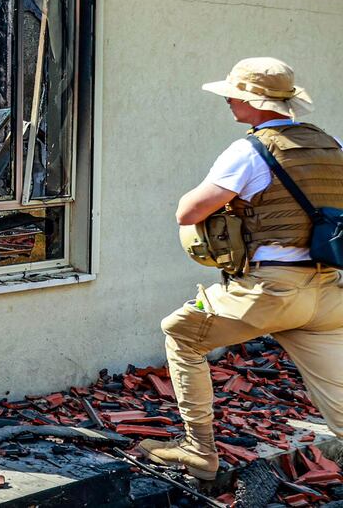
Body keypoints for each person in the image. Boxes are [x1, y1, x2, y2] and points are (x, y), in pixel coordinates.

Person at [142, 58, 343, 480]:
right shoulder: (332, 145)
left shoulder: (250, 149)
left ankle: (199, 451)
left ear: (255, 102)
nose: (229, 102)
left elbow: (188, 211)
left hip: (270, 291)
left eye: (235, 95)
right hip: (327, 291)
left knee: (181, 333)